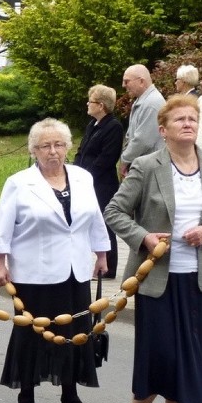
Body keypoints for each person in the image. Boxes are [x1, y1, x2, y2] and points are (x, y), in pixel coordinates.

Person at [105, 94, 202, 403]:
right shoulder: (147, 166)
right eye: (180, 119)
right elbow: (114, 211)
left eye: (192, 118)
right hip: (157, 279)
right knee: (160, 355)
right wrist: (143, 237)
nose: (189, 124)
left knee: (192, 358)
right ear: (163, 130)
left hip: (201, 278)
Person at [0, 118, 110, 403]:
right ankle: (26, 395)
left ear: (68, 146)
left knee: (75, 332)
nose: (53, 152)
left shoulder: (83, 177)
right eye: (45, 146)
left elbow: (95, 218)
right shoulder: (19, 183)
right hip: (34, 272)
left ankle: (70, 395)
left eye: (58, 145)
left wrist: (101, 254)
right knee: (33, 332)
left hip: (75, 269)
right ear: (34, 150)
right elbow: (2, 226)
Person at [75, 85, 124, 277]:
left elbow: (106, 158)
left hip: (102, 183)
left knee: (104, 223)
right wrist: (76, 172)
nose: (88, 104)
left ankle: (109, 266)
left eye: (91, 101)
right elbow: (82, 150)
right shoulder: (92, 125)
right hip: (85, 180)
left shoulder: (113, 127)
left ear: (101, 105)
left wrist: (87, 176)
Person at [120, 64, 165, 177]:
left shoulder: (152, 103)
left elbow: (142, 141)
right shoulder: (143, 101)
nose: (123, 85)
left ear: (141, 81)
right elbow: (131, 134)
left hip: (150, 170)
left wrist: (124, 159)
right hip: (142, 166)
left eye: (127, 81)